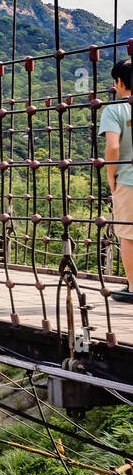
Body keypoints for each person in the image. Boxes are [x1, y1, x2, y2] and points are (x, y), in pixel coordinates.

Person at [102, 57, 133, 300]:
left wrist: (111, 175)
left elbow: (112, 147)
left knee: (128, 235)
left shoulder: (115, 110)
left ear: (120, 82)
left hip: (128, 181)